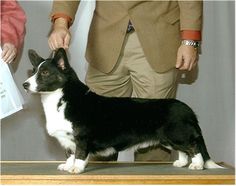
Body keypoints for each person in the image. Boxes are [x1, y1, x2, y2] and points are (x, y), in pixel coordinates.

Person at [48, 1, 202, 161]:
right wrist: (60, 23)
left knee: (155, 131)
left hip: (158, 40)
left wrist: (189, 41)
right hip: (104, 45)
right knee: (93, 130)